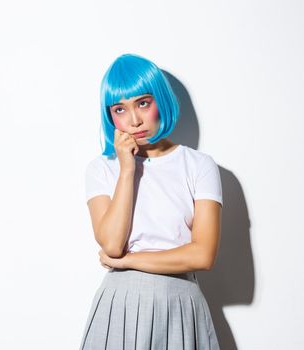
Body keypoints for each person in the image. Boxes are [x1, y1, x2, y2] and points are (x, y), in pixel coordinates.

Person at [80, 53, 223, 349]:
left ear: (160, 99)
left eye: (143, 103)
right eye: (120, 109)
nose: (134, 120)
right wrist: (127, 169)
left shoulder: (198, 165)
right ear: (110, 116)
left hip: (180, 303)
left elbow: (202, 255)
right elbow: (111, 245)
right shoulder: (102, 169)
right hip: (120, 306)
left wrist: (129, 261)